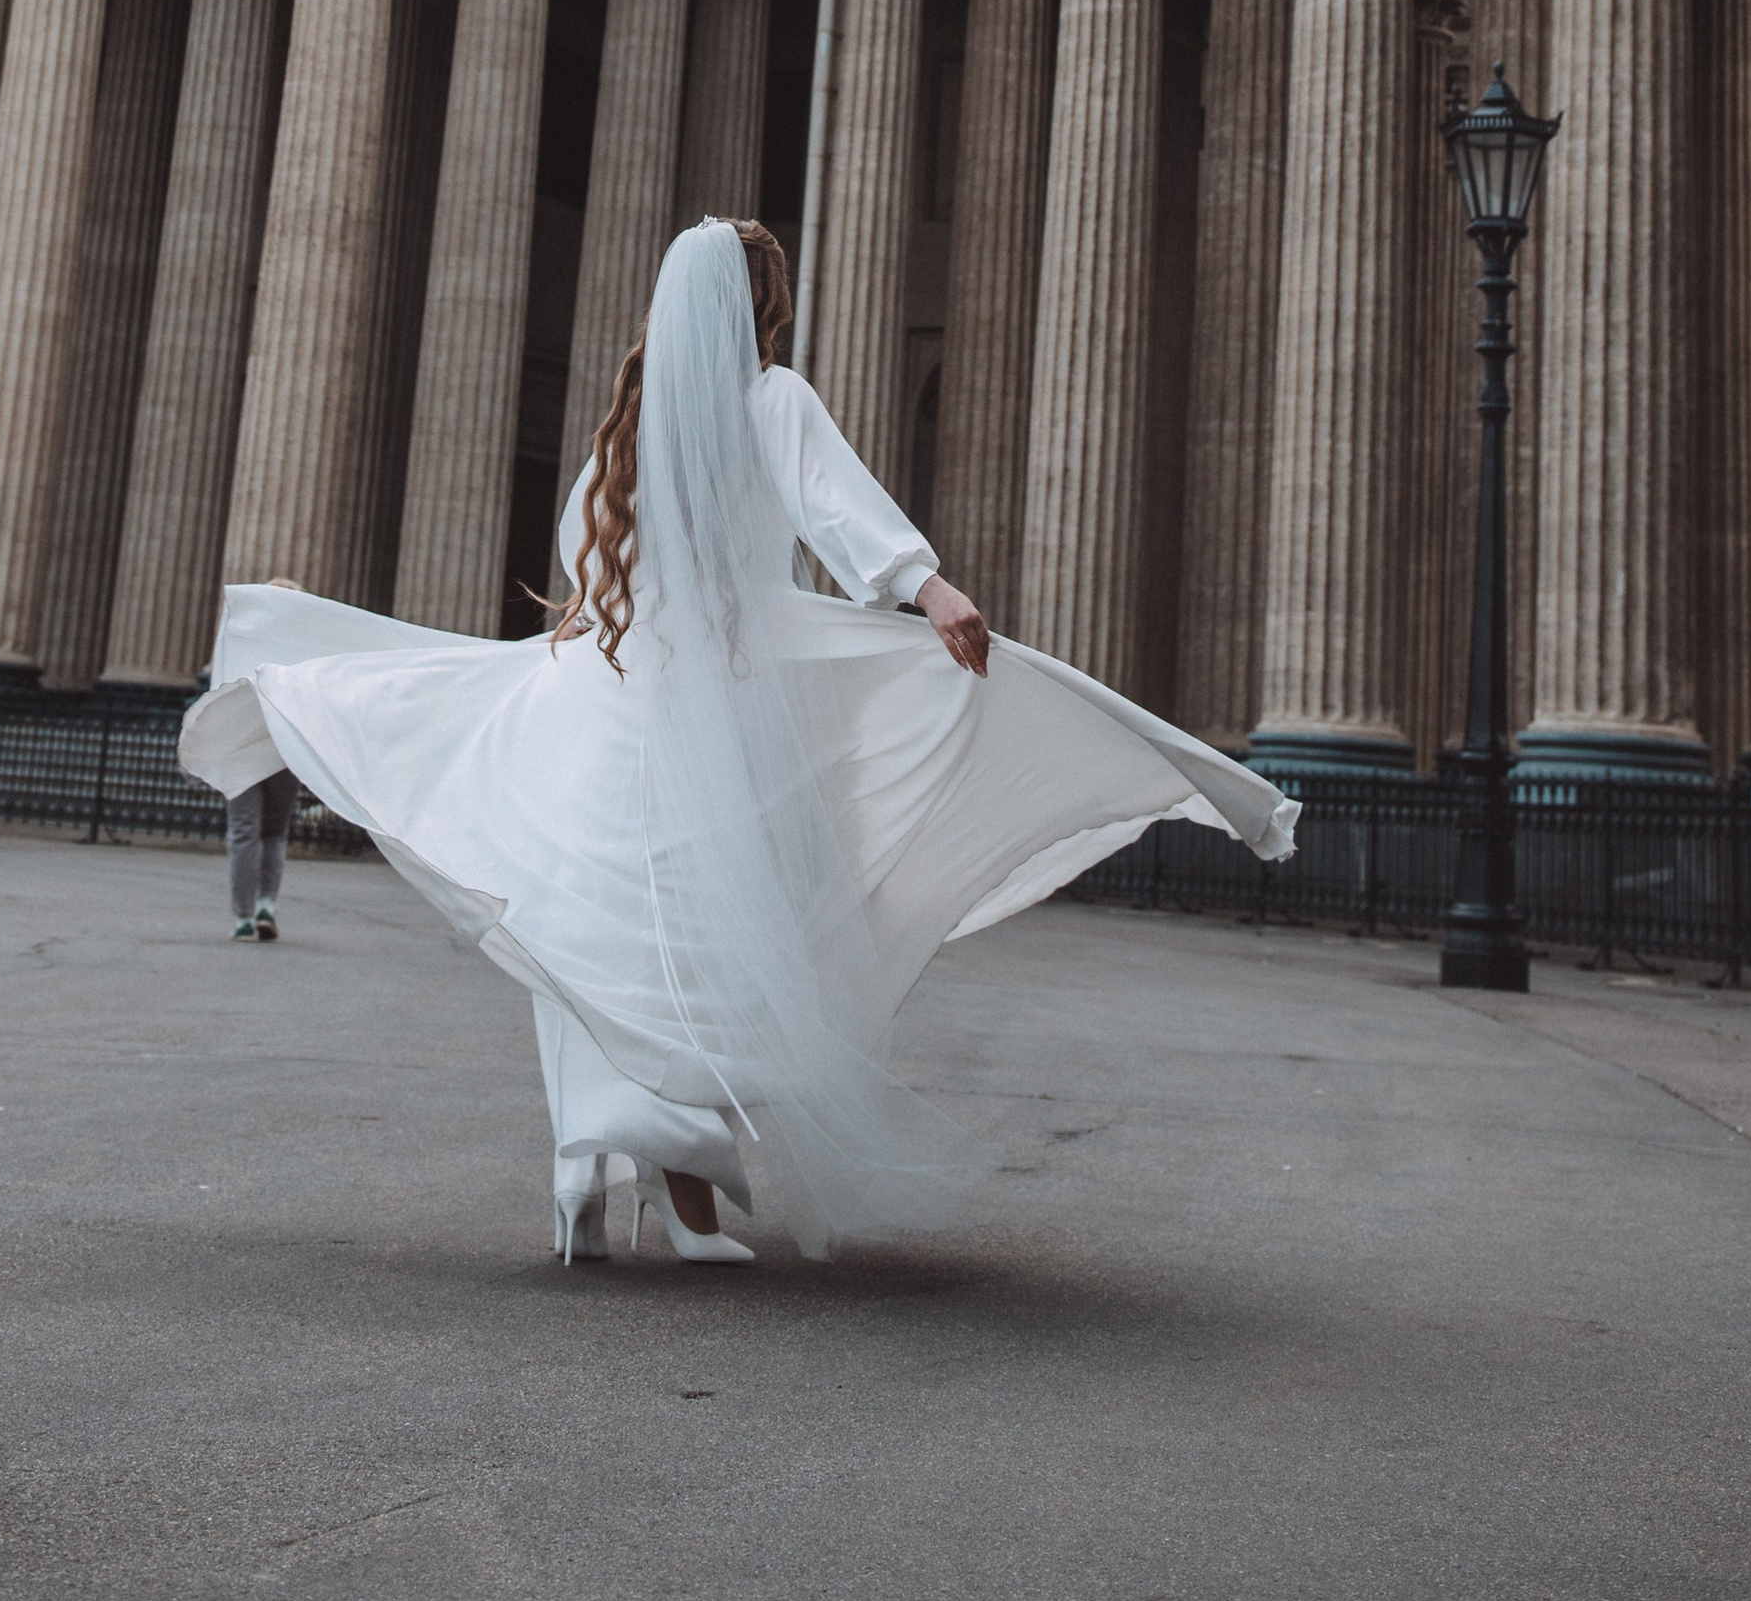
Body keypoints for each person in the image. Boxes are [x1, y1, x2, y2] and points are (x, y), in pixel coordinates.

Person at [183, 218, 1296, 1264]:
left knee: (603, 940)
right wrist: (929, 587)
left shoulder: (636, 425)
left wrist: (604, 616)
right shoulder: (770, 399)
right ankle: (668, 1190)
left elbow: (582, 547)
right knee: (716, 946)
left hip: (612, 702)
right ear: (764, 305)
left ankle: (594, 1174)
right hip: (719, 699)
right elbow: (835, 505)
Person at [225, 770, 294, 941]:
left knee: (244, 831)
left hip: (241, 755)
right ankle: (265, 907)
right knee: (274, 832)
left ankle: (244, 920)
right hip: (281, 756)